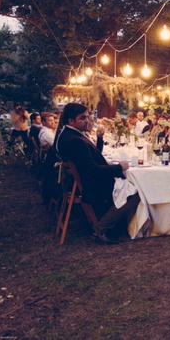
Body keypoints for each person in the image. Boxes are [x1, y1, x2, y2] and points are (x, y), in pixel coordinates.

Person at [55, 103, 140, 245]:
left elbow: (91, 157)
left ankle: (118, 224)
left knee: (127, 185)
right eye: (83, 118)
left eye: (88, 117)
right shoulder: (76, 140)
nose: (87, 120)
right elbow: (92, 170)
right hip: (90, 186)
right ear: (71, 121)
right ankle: (100, 229)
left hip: (76, 182)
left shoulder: (67, 134)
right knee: (133, 193)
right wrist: (119, 168)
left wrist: (99, 139)